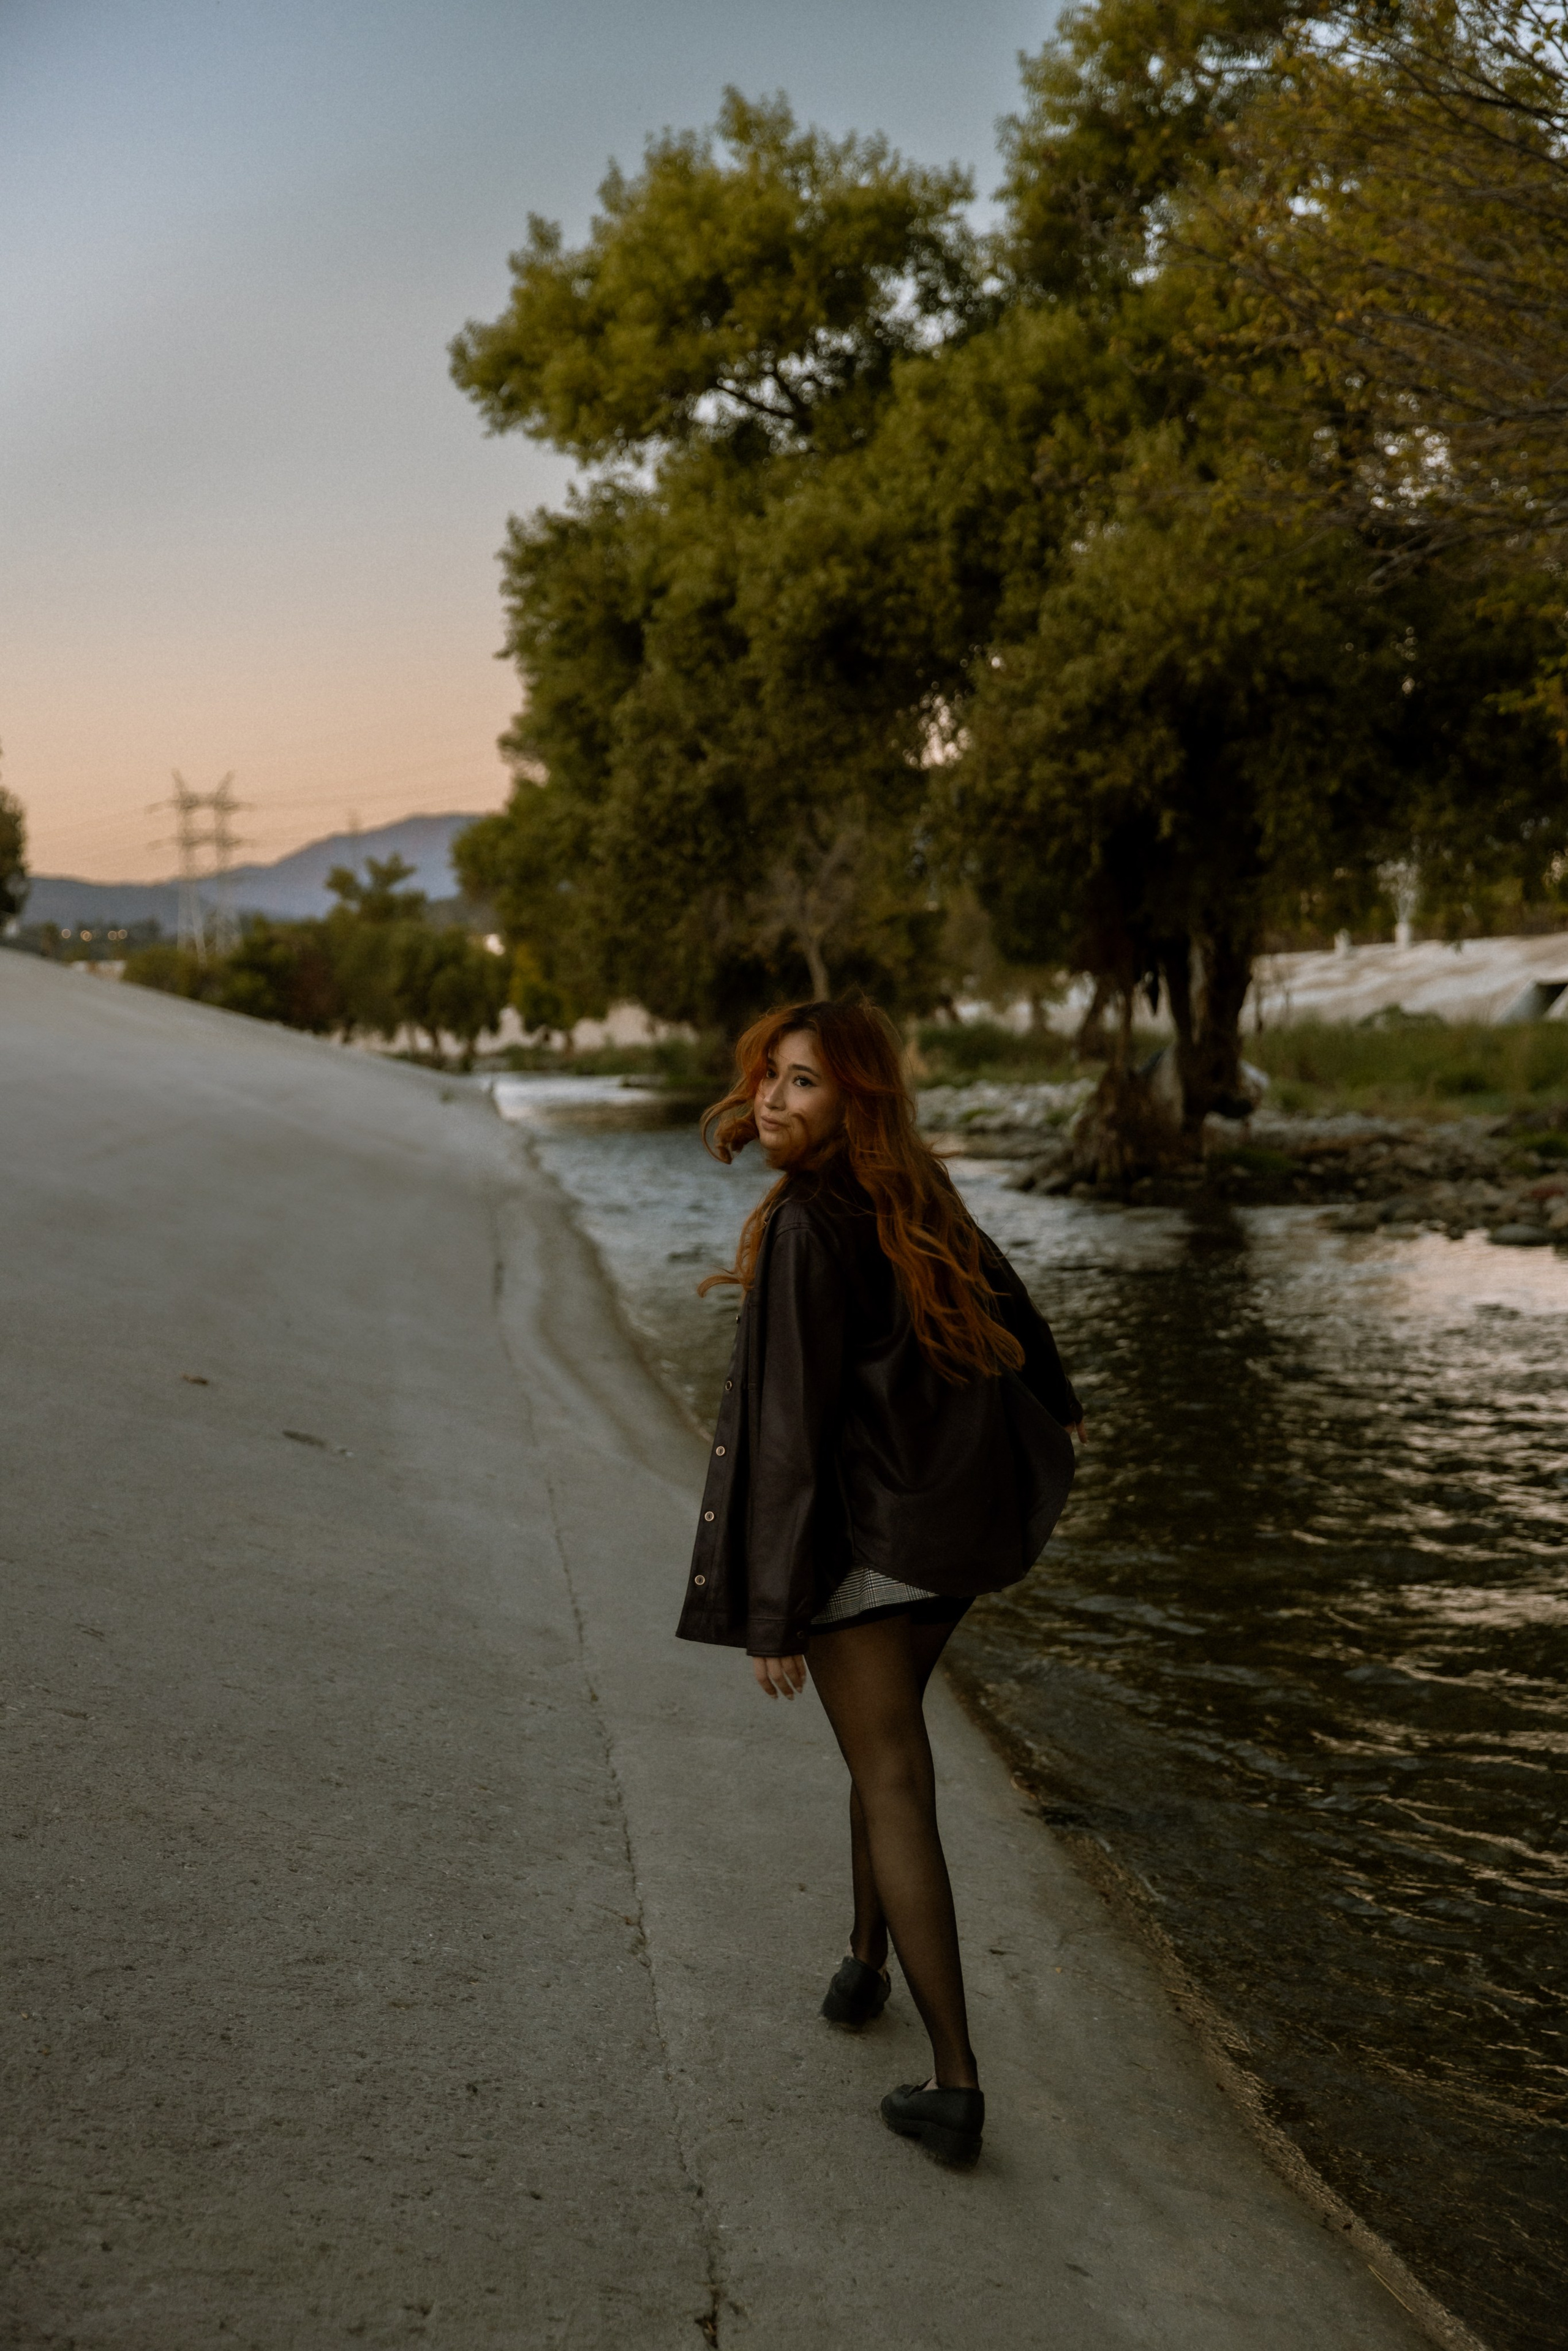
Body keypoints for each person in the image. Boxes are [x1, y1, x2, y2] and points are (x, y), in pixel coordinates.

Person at [677, 998, 1085, 2167]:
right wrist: (1060, 1403)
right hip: (949, 1525)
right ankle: (865, 1965)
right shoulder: (912, 1190)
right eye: (767, 1076)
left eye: (803, 1082)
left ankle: (955, 2081)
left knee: (892, 1774)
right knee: (882, 1748)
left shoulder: (809, 1224)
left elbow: (794, 1436)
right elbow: (1010, 1293)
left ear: (855, 1097)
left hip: (873, 1543)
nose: (771, 1099)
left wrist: (774, 1612)